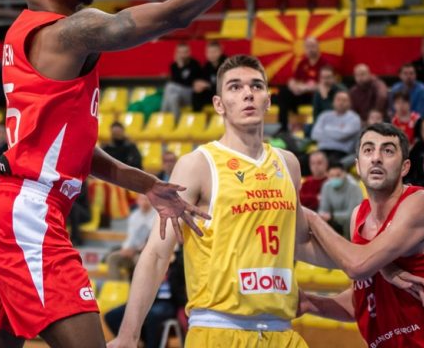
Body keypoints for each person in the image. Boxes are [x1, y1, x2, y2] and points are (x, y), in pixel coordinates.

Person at [0, 0, 312, 348]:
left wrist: (146, 184)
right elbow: (172, 16)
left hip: (0, 210)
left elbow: (73, 150)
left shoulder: (24, 35)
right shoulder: (68, 32)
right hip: (27, 213)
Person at [109, 55, 317, 348]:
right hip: (218, 329)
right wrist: (128, 336)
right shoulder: (197, 164)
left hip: (282, 331)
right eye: (235, 87)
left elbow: (300, 242)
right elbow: (156, 253)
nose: (248, 93)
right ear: (219, 104)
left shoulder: (288, 164)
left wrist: (365, 262)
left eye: (256, 86)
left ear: (268, 100)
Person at [299, 123, 424, 347]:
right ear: (358, 165)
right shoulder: (358, 216)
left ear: (405, 167)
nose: (376, 158)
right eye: (368, 150)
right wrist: (308, 303)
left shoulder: (422, 204)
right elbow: (365, 301)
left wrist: (311, 217)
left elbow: (357, 265)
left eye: (388, 150)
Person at [104, 248, 186, 348]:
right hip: (146, 300)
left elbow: (180, 287)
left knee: (153, 314)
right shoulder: (147, 261)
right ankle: (134, 342)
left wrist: (171, 266)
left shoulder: (178, 262)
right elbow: (135, 284)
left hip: (168, 302)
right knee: (112, 315)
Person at [277, 36, 329, 132]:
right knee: (284, 92)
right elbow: (294, 80)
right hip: (302, 94)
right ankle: (283, 127)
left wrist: (306, 88)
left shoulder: (325, 63)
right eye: (308, 47)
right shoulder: (303, 63)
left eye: (313, 46)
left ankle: (313, 128)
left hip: (316, 95)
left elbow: (326, 85)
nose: (310, 49)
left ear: (318, 47)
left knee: (319, 94)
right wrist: (293, 86)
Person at [106, 194, 156, 279]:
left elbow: (153, 240)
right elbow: (130, 236)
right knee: (112, 258)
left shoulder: (157, 216)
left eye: (147, 199)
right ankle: (116, 285)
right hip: (132, 250)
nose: (145, 202)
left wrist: (136, 250)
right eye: (142, 199)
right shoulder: (134, 216)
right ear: (138, 201)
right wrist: (126, 248)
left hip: (147, 252)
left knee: (140, 261)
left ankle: (140, 286)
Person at [309, 90, 362, 164]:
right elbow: (315, 135)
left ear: (350, 103)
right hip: (322, 150)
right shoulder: (324, 116)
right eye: (338, 100)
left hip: (341, 152)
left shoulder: (354, 118)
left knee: (329, 163)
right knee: (303, 161)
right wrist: (338, 131)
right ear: (333, 102)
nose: (341, 103)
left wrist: (325, 129)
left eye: (344, 100)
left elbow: (342, 136)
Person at [318, 162, 364, 239]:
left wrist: (332, 216)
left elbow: (352, 215)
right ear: (327, 175)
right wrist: (325, 216)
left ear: (344, 173)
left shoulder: (354, 188)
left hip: (351, 224)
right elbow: (323, 210)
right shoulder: (326, 186)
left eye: (338, 175)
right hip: (334, 222)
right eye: (332, 176)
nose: (335, 178)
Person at [161, 42, 202, 118]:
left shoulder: (195, 64)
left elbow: (191, 82)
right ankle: (177, 121)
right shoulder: (174, 65)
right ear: (177, 53)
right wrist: (179, 66)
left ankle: (162, 115)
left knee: (169, 86)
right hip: (179, 96)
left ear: (189, 52)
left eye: (185, 52)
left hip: (191, 95)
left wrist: (181, 67)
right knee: (173, 97)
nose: (183, 55)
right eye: (180, 52)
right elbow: (175, 81)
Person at [193, 41, 227, 110]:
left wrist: (208, 85)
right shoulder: (206, 66)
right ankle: (197, 115)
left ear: (220, 52)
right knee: (197, 91)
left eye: (214, 52)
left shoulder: (227, 65)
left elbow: (225, 85)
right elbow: (203, 81)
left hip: (223, 93)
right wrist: (199, 85)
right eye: (209, 52)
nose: (212, 55)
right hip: (212, 92)